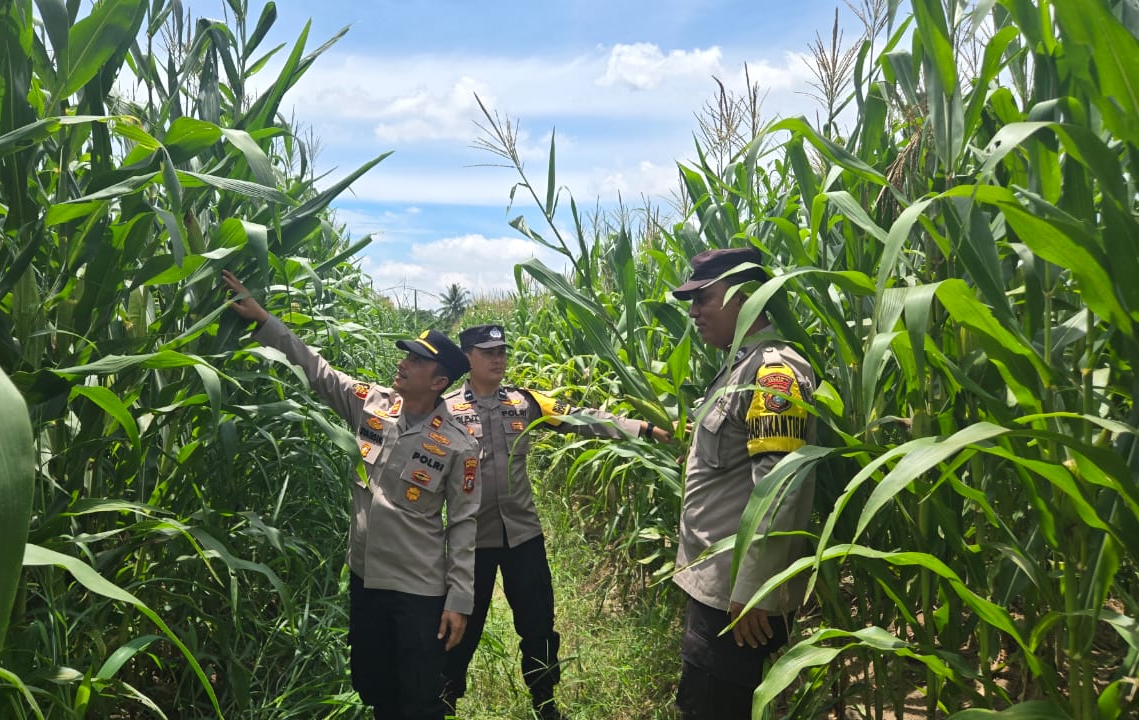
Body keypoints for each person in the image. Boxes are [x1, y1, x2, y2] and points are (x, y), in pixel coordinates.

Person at [222, 270, 480, 720]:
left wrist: (459, 601)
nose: (403, 363)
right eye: (407, 356)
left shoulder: (459, 445)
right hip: (366, 581)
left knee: (419, 698)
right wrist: (264, 318)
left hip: (418, 592)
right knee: (376, 688)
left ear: (439, 382)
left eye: (417, 361)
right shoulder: (374, 406)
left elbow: (463, 524)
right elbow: (318, 370)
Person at [440, 323, 671, 719]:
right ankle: (442, 702)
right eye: (488, 352)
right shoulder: (445, 409)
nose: (498, 359)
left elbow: (584, 418)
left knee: (539, 627)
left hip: (523, 537)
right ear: (467, 359)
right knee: (460, 630)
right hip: (470, 544)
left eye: (502, 351)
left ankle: (545, 703)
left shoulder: (525, 401)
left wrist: (644, 429)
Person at [669, 247, 816, 720]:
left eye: (702, 299)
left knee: (712, 708)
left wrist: (757, 589)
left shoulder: (772, 373)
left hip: (737, 596)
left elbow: (779, 488)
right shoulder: (740, 366)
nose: (692, 313)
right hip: (720, 585)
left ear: (744, 297)